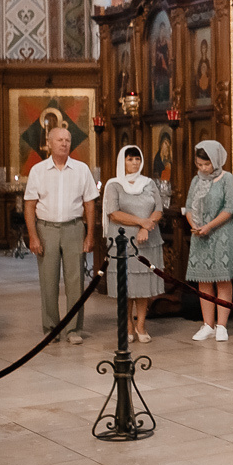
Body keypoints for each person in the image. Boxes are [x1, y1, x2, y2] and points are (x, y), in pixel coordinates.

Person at [23, 126, 98, 344]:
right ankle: (51, 327)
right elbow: (29, 206)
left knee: (75, 281)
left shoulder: (82, 169)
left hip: (74, 228)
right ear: (49, 143)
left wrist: (89, 234)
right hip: (46, 229)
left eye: (67, 140)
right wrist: (33, 236)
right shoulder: (38, 170)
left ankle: (74, 329)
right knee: (49, 280)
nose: (64, 143)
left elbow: (90, 204)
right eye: (59, 140)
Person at [102, 145, 163, 343]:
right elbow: (114, 213)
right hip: (122, 241)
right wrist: (140, 222)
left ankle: (141, 325)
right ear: (122, 161)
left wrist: (147, 226)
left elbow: (158, 208)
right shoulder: (114, 184)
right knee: (125, 285)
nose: (134, 163)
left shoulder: (148, 183)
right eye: (130, 159)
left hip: (148, 238)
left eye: (137, 159)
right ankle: (127, 325)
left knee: (143, 283)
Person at [185, 142, 233, 342]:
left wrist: (209, 226)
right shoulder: (196, 181)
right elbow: (189, 207)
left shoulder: (227, 179)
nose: (203, 169)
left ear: (216, 161)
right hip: (200, 234)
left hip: (222, 233)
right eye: (199, 165)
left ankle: (222, 326)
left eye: (206, 165)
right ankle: (207, 324)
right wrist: (194, 224)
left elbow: (230, 208)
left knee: (222, 278)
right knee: (204, 280)